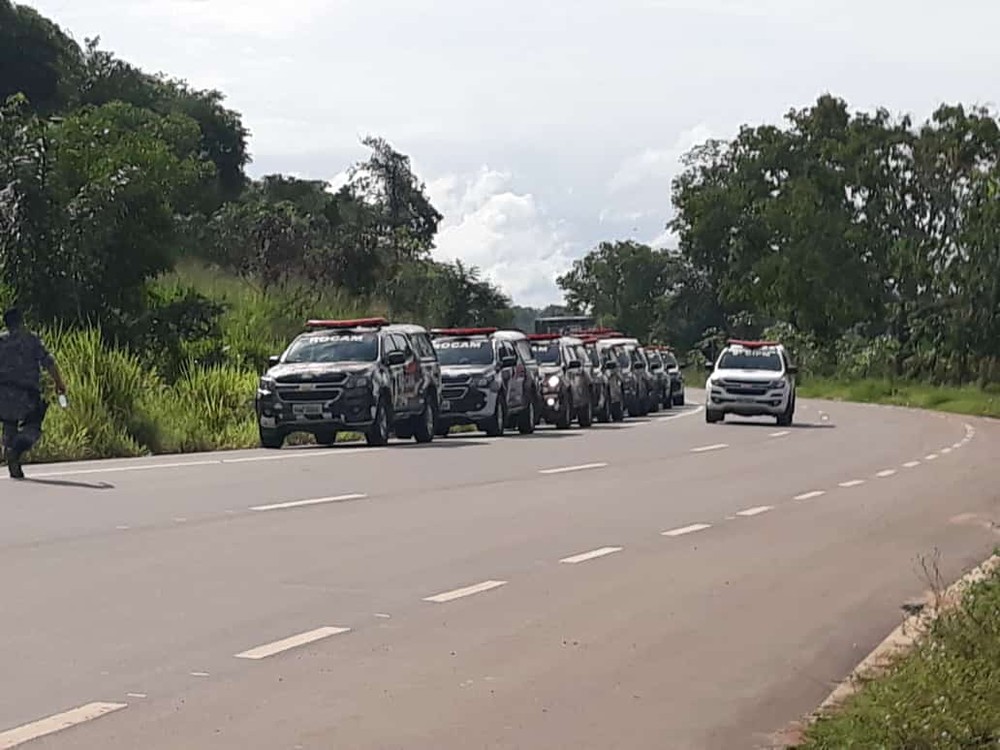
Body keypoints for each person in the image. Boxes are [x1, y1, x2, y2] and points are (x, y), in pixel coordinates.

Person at [0, 308, 66, 479]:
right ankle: (15, 451)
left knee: (9, 426)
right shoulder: (31, 340)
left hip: (3, 395)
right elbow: (49, 362)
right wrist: (59, 383)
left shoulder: (1, 341)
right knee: (33, 428)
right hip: (26, 395)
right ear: (21, 321)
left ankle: (11, 455)